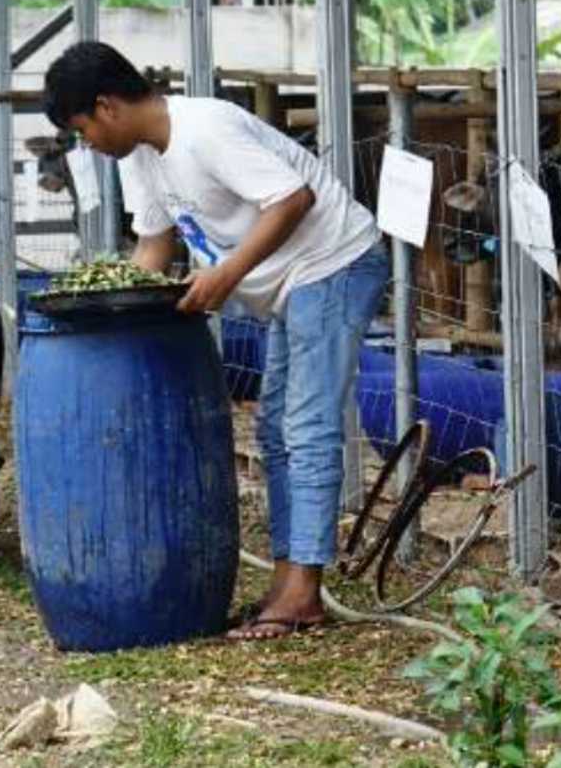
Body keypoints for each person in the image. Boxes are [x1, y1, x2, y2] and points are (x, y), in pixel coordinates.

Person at [42, 42, 389, 641]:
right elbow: (153, 247)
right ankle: (289, 578)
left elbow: (293, 197)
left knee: (305, 426)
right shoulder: (138, 157)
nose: (87, 145)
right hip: (287, 281)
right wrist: (119, 308)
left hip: (334, 263)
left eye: (82, 130)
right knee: (276, 426)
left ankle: (303, 591)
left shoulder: (204, 129)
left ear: (106, 107)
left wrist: (226, 275)